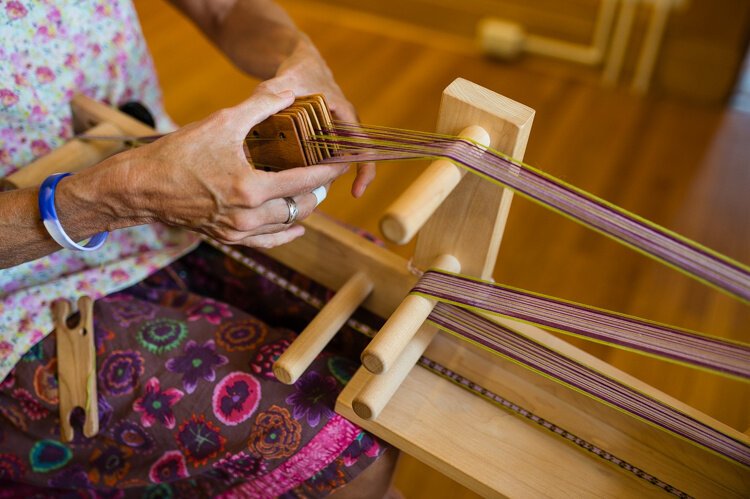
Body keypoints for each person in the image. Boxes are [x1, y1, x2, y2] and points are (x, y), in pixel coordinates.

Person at [0, 0, 397, 497]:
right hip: (20, 294)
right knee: (342, 444)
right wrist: (119, 197)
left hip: (158, 194)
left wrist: (298, 53)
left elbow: (224, 8)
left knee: (396, 327)